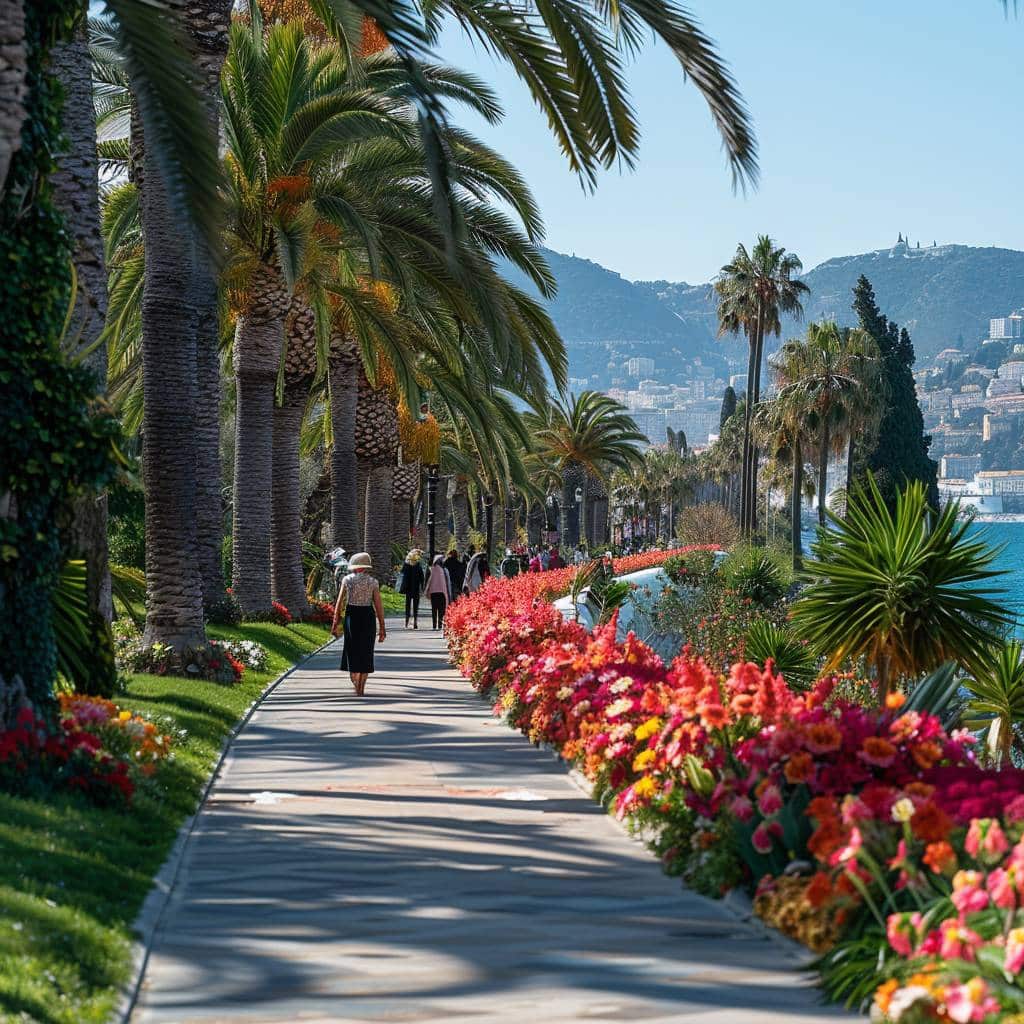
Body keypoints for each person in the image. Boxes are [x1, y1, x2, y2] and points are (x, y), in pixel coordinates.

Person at [330, 552, 386, 696]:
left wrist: (335, 621)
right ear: (366, 566)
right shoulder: (373, 582)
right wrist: (382, 628)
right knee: (366, 651)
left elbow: (340, 602)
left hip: (352, 616)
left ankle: (355, 682)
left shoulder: (347, 580)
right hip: (368, 616)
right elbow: (378, 605)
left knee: (352, 650)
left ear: (354, 566)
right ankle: (361, 685)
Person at [397, 548, 425, 628]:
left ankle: (406, 622)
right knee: (416, 606)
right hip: (416, 588)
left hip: (408, 588)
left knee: (408, 605)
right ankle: (415, 621)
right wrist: (422, 586)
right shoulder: (418, 565)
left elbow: (402, 574)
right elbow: (421, 577)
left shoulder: (406, 565)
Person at [425, 554, 452, 629]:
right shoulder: (444, 570)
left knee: (434, 609)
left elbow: (429, 581)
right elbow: (447, 582)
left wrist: (427, 591)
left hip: (433, 592)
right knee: (441, 610)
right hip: (442, 592)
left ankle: (434, 625)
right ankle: (440, 625)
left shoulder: (432, 569)